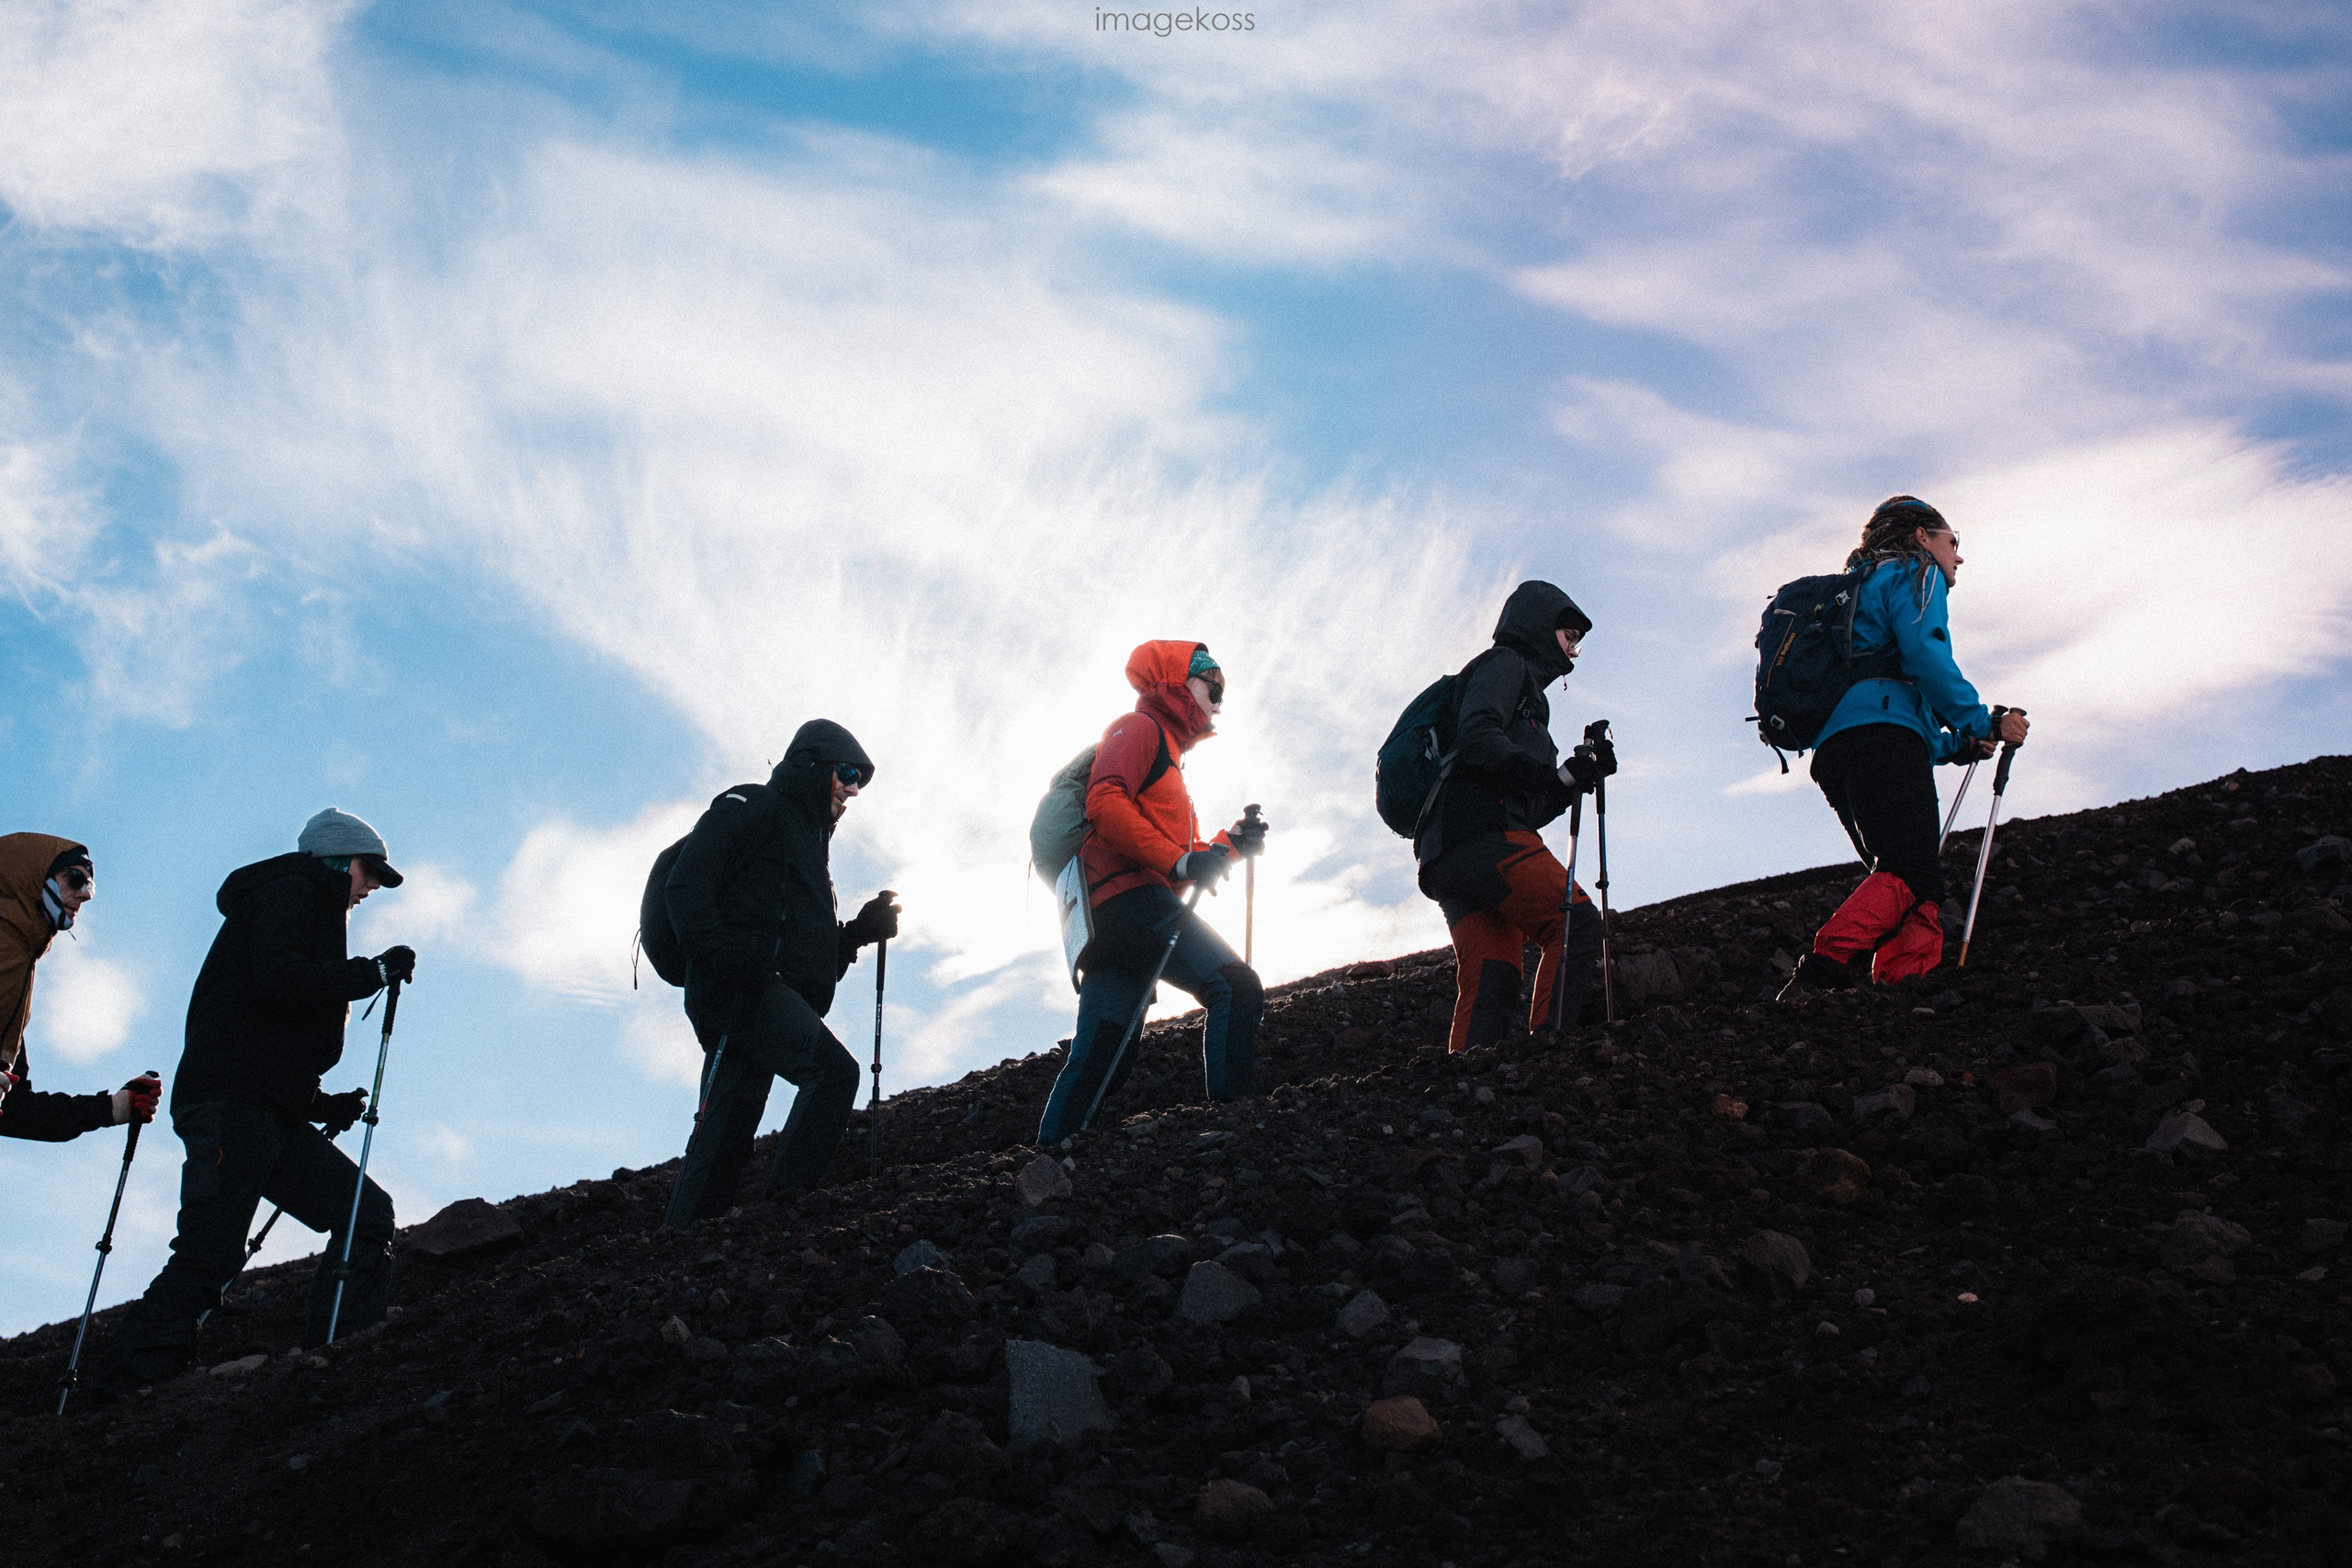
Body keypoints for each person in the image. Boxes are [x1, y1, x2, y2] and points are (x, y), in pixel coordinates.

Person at [95, 808, 415, 1393]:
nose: (373, 887)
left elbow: (266, 1030)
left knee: (364, 1213)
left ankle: (341, 1356)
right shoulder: (292, 892)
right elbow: (279, 981)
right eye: (370, 872)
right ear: (339, 860)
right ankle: (122, 1390)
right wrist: (366, 973)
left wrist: (320, 1103)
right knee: (211, 1252)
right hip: (231, 1108)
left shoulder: (305, 904)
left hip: (261, 1108)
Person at [1781, 495, 2030, 994]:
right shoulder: (1916, 573)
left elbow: (1887, 710)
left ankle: (1903, 990)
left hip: (1839, 752)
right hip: (1882, 743)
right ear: (1922, 537)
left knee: (1914, 880)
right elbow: (1924, 654)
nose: (1957, 556)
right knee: (1910, 870)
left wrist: (1957, 745)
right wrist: (1983, 721)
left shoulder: (1856, 592)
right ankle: (1820, 973)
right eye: (1952, 541)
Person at [662, 720, 899, 1225]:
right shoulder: (753, 807)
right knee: (834, 1073)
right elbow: (685, 887)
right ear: (812, 766)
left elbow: (802, 948)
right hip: (741, 990)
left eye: (860, 780)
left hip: (758, 990)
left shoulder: (809, 846)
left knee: (726, 1128)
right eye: (848, 773)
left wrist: (857, 932)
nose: (854, 789)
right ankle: (784, 1213)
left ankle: (682, 1246)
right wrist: (725, 956)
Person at [1035, 641, 1267, 1144]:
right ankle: (1234, 1131)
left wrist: (1229, 846)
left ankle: (1045, 1165)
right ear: (1182, 683)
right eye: (1214, 686)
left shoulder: (1170, 761)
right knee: (1235, 988)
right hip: (1130, 904)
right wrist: (1183, 859)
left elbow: (1175, 865)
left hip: (1111, 915)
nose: (1220, 701)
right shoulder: (1138, 728)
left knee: (1103, 1056)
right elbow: (1104, 801)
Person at [1415, 581, 1612, 1053]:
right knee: (1575, 923)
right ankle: (1551, 1051)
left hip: (1449, 851)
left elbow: (1529, 806)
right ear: (1541, 624)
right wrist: (1542, 773)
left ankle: (1466, 1089)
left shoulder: (1530, 711)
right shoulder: (1505, 666)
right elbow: (1479, 734)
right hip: (1484, 834)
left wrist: (1568, 777)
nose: (1573, 648)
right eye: (1569, 633)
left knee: (1493, 975)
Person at [0, 833, 160, 1141]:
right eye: (75, 879)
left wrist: (114, 1107)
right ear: (31, 878)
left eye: (90, 885)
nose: (85, 895)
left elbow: (16, 1110)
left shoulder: (18, 979)